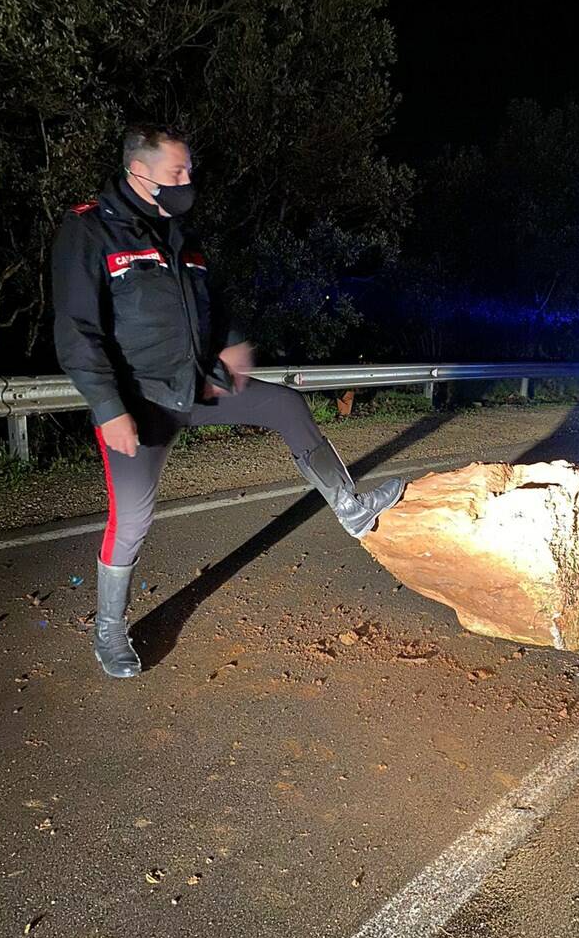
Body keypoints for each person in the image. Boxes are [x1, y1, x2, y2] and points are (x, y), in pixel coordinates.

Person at [52, 124, 404, 680]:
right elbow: (76, 330)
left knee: (285, 406)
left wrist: (233, 340)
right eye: (178, 171)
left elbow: (213, 303)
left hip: (196, 386)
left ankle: (351, 509)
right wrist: (106, 406)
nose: (189, 180)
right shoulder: (91, 230)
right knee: (134, 518)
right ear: (140, 173)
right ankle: (108, 631)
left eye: (189, 169)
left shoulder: (180, 234)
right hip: (137, 402)